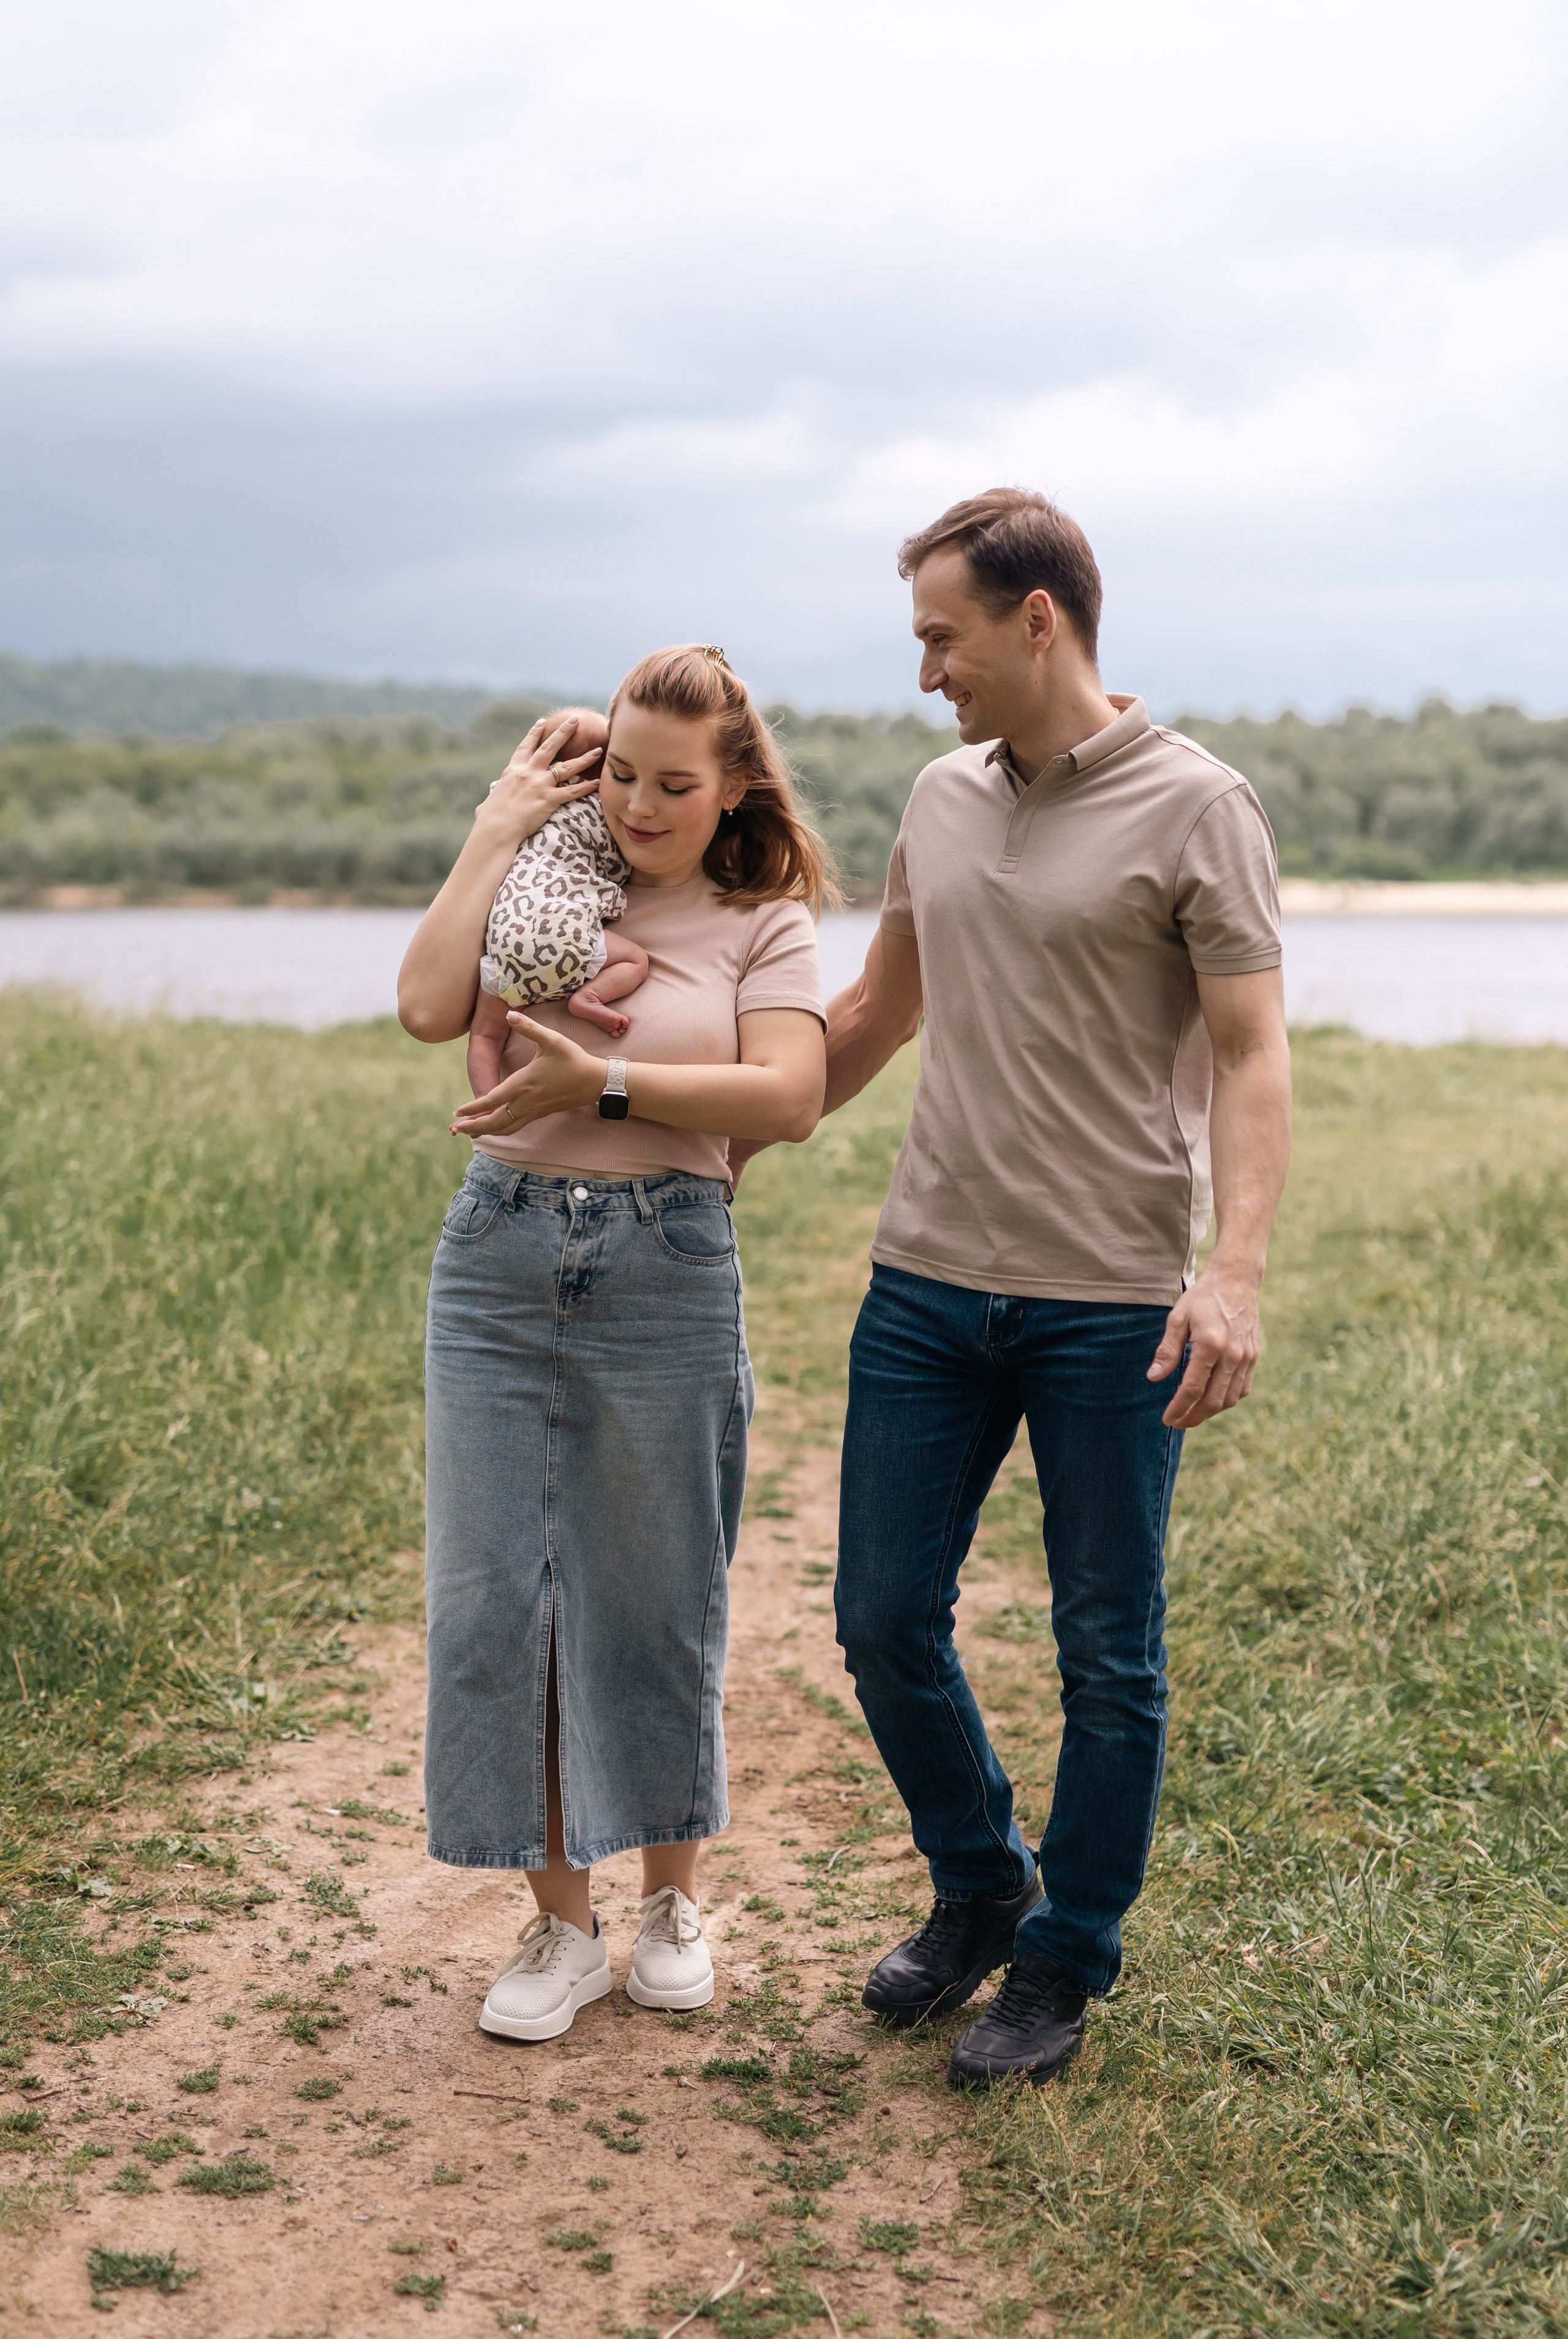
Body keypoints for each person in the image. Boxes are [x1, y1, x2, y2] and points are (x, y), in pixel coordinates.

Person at [813, 489, 1291, 2087]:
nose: (927, 671)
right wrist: (712, 1124)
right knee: (880, 1614)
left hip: (1110, 1302)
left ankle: (1063, 1959)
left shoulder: (1199, 803)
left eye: (942, 636)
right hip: (929, 1280)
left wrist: (1230, 1273)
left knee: (1109, 1650)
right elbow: (878, 1009)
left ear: (1039, 619)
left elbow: (1249, 1051)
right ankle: (980, 1884)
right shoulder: (940, 798)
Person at [397, 646, 833, 2043]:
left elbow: (788, 1094)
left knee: (651, 1589)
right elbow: (421, 1003)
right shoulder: (540, 889)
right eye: (623, 775)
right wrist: (497, 820)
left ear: (732, 785)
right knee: (492, 1598)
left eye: (674, 783)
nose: (641, 806)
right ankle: (559, 1922)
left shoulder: (761, 915)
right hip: (500, 1252)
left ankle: (669, 1900)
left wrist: (614, 1084)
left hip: (667, 1261)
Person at [465, 705, 653, 1102]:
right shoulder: (604, 813)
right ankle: (589, 998)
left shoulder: (517, 804)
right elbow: (621, 865)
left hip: (506, 946)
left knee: (485, 1036)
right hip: (567, 938)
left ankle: (484, 1107)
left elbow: (495, 803)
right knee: (636, 959)